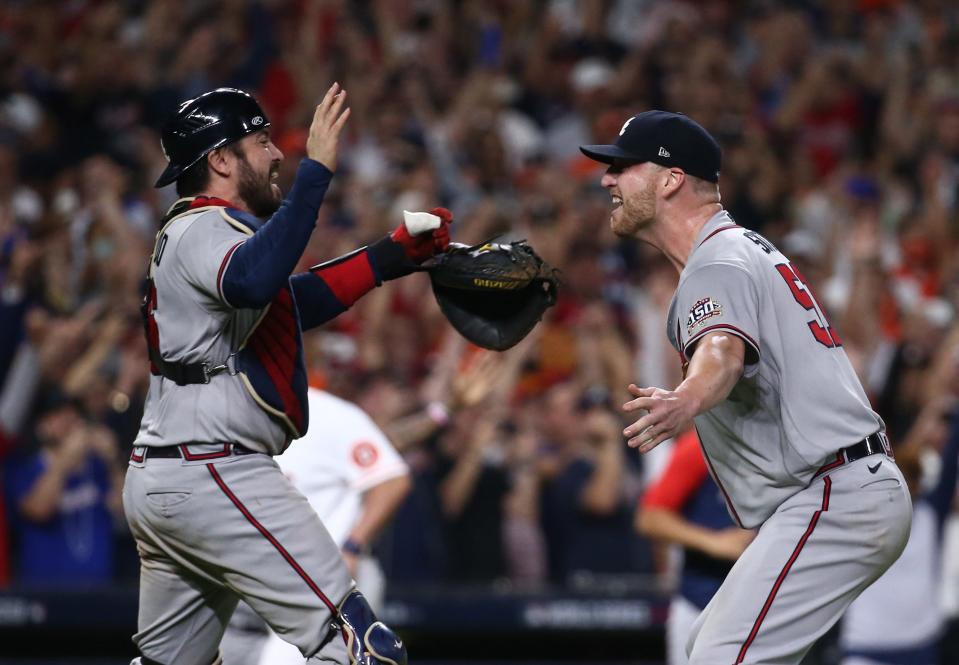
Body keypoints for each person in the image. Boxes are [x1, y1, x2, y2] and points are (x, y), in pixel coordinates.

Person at [124, 84, 451, 665]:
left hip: (170, 476)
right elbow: (254, 279)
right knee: (362, 650)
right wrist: (317, 172)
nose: (277, 155)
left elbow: (287, 301)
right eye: (262, 141)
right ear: (222, 160)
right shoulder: (204, 227)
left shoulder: (202, 234)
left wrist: (392, 255)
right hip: (214, 470)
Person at [580, 110, 912, 664]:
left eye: (622, 167)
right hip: (840, 488)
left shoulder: (718, 260)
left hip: (835, 492)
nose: (606, 180)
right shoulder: (740, 249)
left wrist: (686, 397)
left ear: (669, 179)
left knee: (719, 656)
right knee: (703, 648)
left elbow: (723, 353)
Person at [219, 387, 411, 665]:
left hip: (318, 585)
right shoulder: (226, 411)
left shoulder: (330, 413)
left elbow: (392, 481)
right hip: (247, 585)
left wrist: (352, 546)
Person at [636, 428, 751, 665]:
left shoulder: (780, 444)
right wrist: (712, 542)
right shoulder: (700, 443)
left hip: (761, 602)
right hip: (699, 598)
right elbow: (650, 517)